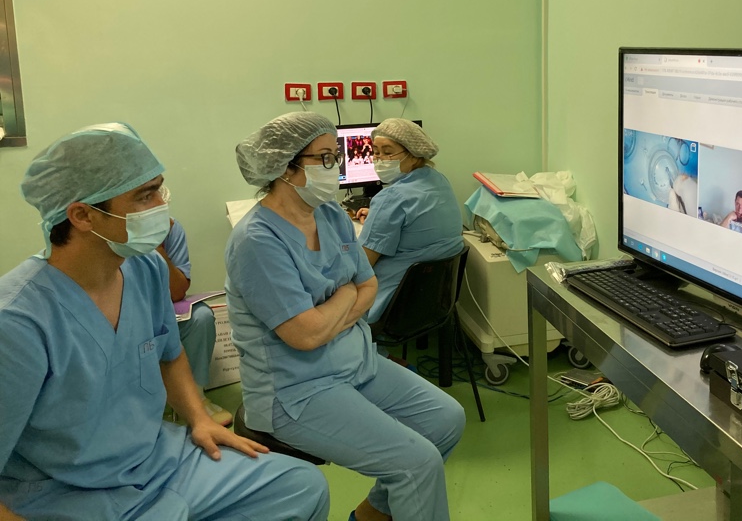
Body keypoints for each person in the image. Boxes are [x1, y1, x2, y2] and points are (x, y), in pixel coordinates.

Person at [0, 122, 328, 521]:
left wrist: (199, 419)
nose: (161, 205)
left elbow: (169, 355)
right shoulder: (17, 320)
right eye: (145, 195)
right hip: (67, 493)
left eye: (159, 189)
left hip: (155, 458)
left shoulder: (146, 268)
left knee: (300, 487)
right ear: (83, 215)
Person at [225, 112, 466, 521]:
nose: (334, 167)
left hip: (356, 362)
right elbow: (305, 335)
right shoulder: (257, 240)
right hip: (297, 390)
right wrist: (347, 294)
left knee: (447, 420)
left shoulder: (331, 215)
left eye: (334, 156)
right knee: (417, 463)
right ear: (285, 168)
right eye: (324, 158)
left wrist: (339, 304)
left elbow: (368, 286)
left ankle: (370, 515)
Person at [355, 118, 464, 323]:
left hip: (392, 302)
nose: (379, 159)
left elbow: (362, 265)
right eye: (376, 152)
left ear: (413, 155)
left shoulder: (391, 198)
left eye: (388, 152)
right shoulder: (438, 180)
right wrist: (379, 217)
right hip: (434, 300)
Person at [156, 189, 233, 426]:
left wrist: (157, 247)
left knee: (201, 317)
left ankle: (195, 398)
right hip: (125, 312)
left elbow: (177, 291)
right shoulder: (111, 235)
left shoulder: (172, 230)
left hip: (165, 307)